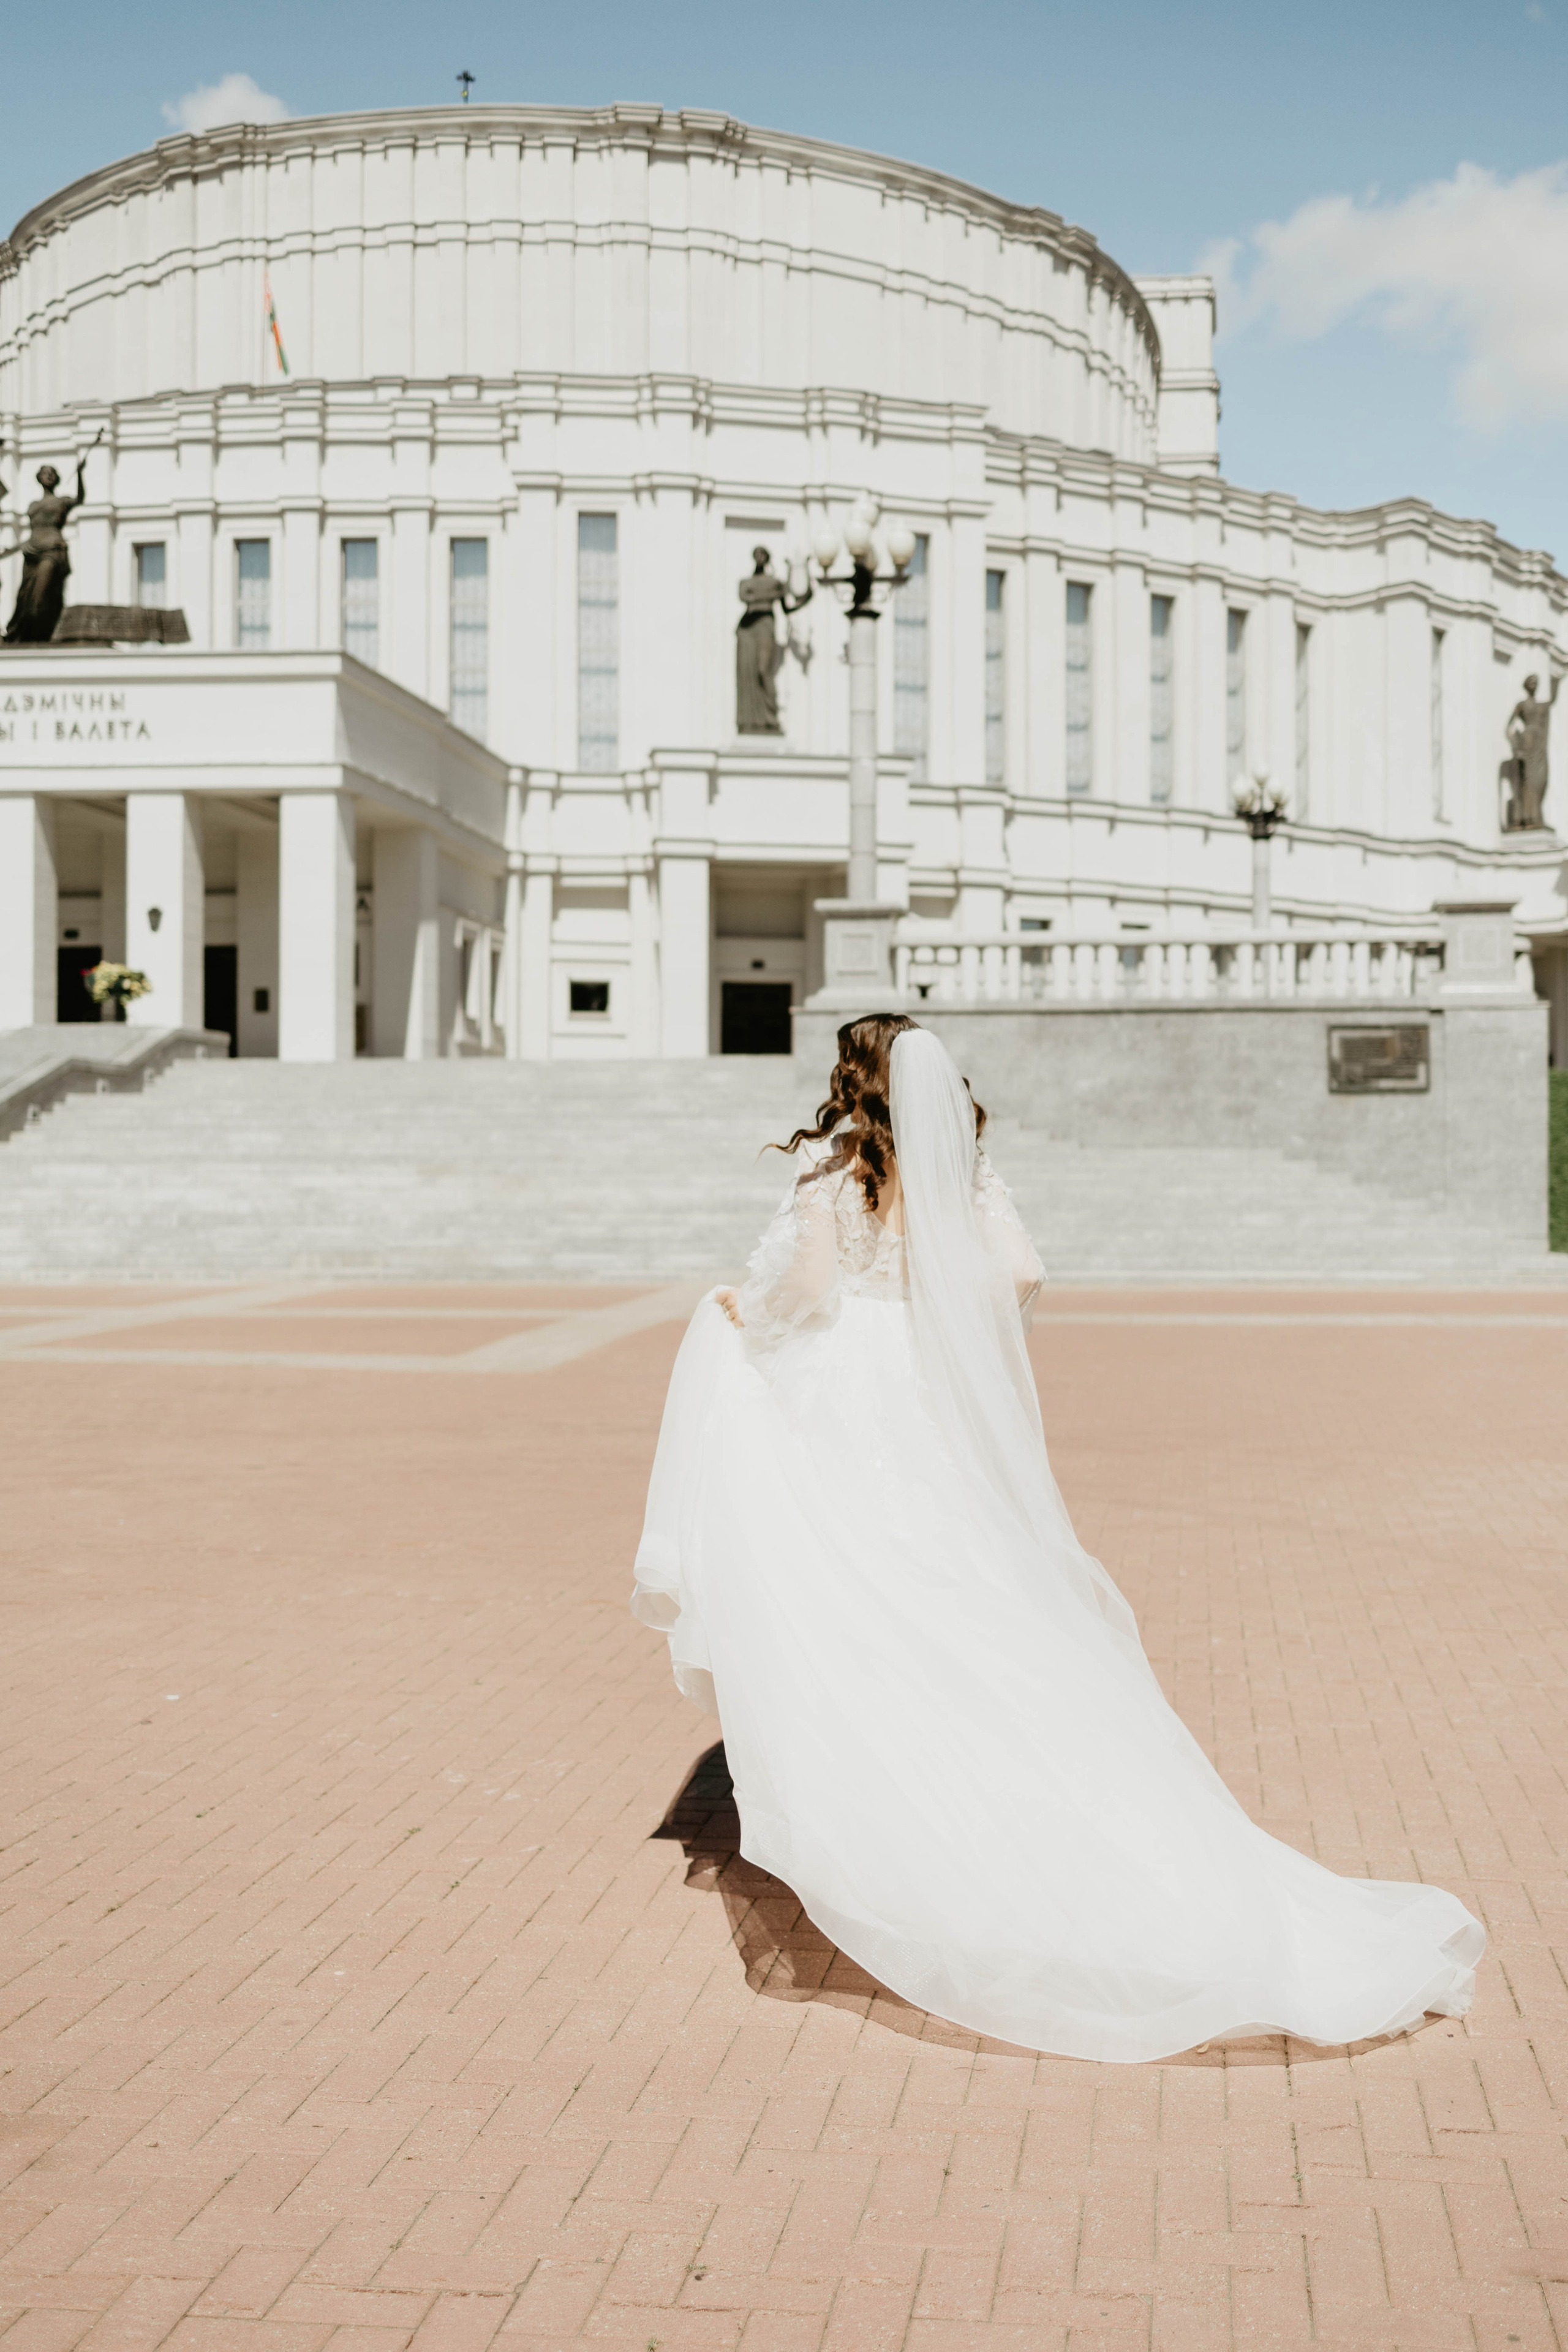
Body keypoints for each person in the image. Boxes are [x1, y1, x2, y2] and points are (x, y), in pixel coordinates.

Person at [632, 1014, 1483, 2062]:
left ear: (849, 1077)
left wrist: (741, 1310)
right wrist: (941, 1318)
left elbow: (805, 1290)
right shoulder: (964, 1170)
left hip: (847, 1393)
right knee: (957, 1590)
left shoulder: (835, 1164)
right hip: (927, 1404)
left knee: (852, 1588)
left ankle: (890, 1801)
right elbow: (1023, 1274)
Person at [4, 453, 90, 644]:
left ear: (57, 479)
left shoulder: (62, 501)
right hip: (31, 552)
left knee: (40, 596)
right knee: (24, 597)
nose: (49, 475)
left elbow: (80, 498)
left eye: (52, 473)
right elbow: (33, 533)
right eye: (45, 473)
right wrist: (11, 549)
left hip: (52, 550)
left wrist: (80, 474)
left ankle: (45, 632)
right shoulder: (33, 505)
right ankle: (21, 636)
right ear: (39, 478)